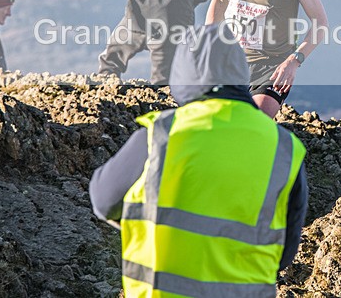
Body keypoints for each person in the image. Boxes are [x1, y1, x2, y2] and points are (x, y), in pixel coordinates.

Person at [90, 24, 308, 297]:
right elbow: (285, 253)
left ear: (182, 72)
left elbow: (103, 202)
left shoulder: (161, 135)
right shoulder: (284, 148)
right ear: (241, 71)